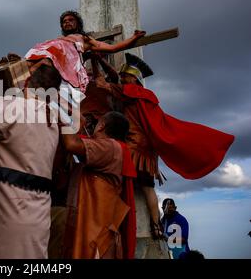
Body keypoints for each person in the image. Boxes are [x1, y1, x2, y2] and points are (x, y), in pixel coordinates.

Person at [93, 53, 235, 241]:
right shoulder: (146, 97)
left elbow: (103, 84)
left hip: (133, 147)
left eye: (125, 75)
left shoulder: (131, 91)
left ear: (133, 78)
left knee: (119, 184)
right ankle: (156, 226)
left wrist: (96, 60)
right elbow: (151, 129)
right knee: (147, 188)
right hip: (147, 150)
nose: (122, 77)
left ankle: (116, 225)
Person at [0, 65, 62, 259]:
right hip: (39, 217)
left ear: (27, 83)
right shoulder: (54, 119)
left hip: (6, 212)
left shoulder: (13, 106)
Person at [61, 111, 137, 259]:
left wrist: (70, 121)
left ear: (101, 126)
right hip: (97, 232)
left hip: (97, 237)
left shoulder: (110, 147)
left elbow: (71, 144)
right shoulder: (115, 147)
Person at [25, 10, 145, 93]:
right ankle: (20, 70)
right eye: (64, 21)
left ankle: (27, 78)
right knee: (30, 62)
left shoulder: (84, 39)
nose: (67, 22)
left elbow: (113, 48)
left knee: (45, 62)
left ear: (77, 23)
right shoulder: (59, 38)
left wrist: (134, 37)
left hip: (63, 56)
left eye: (71, 20)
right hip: (47, 50)